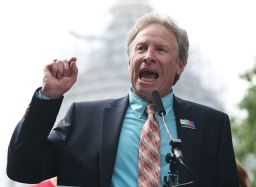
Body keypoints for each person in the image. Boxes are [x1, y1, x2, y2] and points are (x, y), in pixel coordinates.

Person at [7, 12, 239, 187]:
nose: (148, 56)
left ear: (180, 64)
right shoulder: (84, 118)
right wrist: (48, 97)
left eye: (160, 49)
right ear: (129, 60)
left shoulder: (212, 125)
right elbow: (23, 169)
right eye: (140, 48)